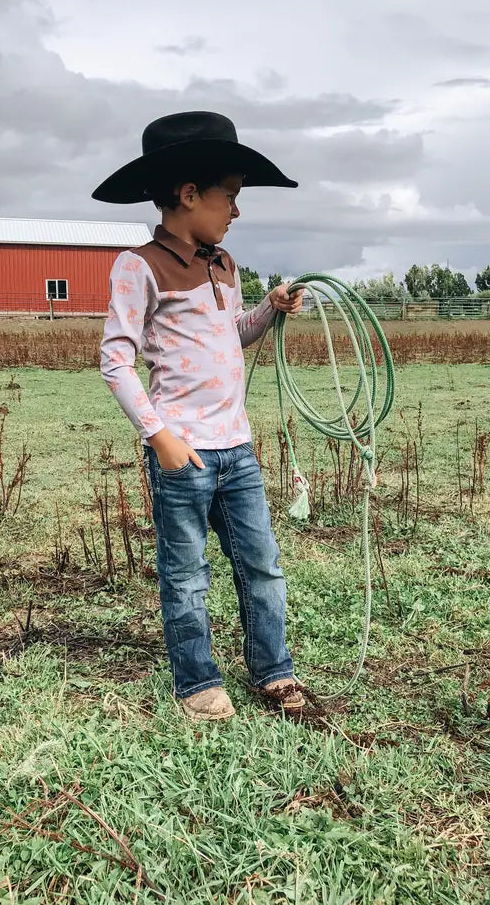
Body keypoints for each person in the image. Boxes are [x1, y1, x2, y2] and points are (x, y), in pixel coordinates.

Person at [93, 111, 304, 721]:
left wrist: (268, 309)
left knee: (260, 564)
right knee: (186, 575)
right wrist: (159, 437)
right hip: (182, 451)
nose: (236, 211)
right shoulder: (139, 266)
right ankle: (198, 683)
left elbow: (229, 335)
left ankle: (274, 671)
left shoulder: (224, 264)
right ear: (189, 195)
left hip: (236, 448)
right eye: (230, 197)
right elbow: (115, 361)